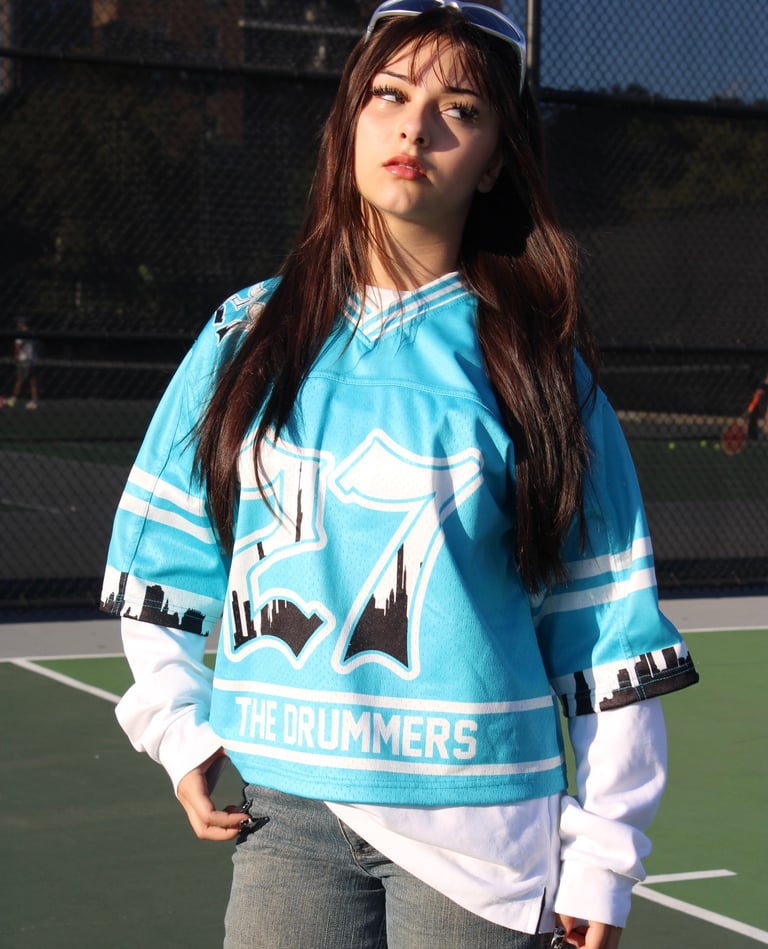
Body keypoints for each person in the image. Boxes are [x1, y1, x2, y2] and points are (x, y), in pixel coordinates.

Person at [101, 3, 699, 947]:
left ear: (497, 157)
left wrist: (606, 852)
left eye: (459, 108)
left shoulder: (536, 368)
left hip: (482, 833)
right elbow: (165, 554)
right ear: (350, 121)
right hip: (284, 814)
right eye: (389, 94)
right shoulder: (245, 334)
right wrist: (178, 723)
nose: (415, 126)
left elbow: (604, 625)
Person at [3, 318, 40, 409]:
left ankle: (14, 399)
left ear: (22, 323)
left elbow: (18, 346)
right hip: (32, 359)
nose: (17, 324)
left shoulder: (22, 333)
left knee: (21, 379)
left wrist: (17, 356)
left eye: (19, 323)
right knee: (31, 380)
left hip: (24, 360)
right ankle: (33, 401)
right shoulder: (32, 333)